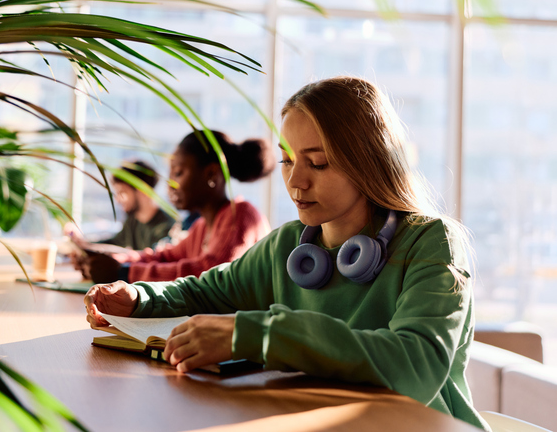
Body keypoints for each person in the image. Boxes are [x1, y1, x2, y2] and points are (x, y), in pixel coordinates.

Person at [84, 77, 489, 430]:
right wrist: (138, 297)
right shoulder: (289, 246)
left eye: (318, 162)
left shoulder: (432, 242)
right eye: (288, 160)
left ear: (370, 162)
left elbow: (414, 367)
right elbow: (205, 292)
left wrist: (258, 334)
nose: (295, 180)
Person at [79, 130, 275, 283]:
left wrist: (124, 272)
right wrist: (105, 261)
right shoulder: (201, 227)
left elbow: (208, 275)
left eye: (178, 173)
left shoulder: (240, 215)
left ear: (212, 174)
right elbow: (164, 257)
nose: (170, 184)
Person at [67, 160, 175, 251]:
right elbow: (114, 243)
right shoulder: (133, 221)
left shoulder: (167, 228)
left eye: (122, 193)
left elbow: (153, 259)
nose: (118, 200)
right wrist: (82, 243)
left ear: (143, 191)